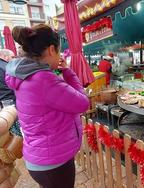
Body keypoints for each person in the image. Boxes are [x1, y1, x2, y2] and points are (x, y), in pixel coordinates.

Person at [5, 24, 89, 188]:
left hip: (40, 158)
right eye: (58, 51)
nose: (59, 56)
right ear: (51, 49)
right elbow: (83, 103)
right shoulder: (44, 80)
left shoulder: (24, 75)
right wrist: (69, 72)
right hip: (53, 163)